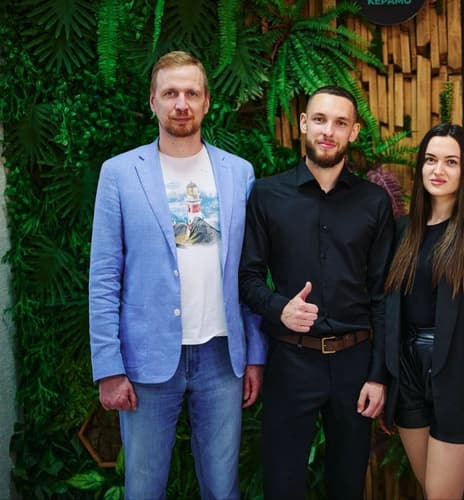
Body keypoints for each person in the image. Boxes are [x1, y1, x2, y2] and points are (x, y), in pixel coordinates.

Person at [88, 50, 266, 500]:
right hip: (147, 360)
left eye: (191, 93)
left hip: (222, 357)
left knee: (222, 488)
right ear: (153, 101)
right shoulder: (120, 174)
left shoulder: (239, 173)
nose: (181, 104)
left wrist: (255, 354)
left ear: (207, 101)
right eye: (170, 93)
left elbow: (250, 271)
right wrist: (108, 368)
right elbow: (104, 276)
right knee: (144, 489)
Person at [238, 85, 395, 500]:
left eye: (340, 123)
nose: (329, 131)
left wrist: (378, 375)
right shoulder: (267, 195)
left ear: (354, 132)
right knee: (283, 485)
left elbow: (383, 294)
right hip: (291, 361)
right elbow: (247, 278)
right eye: (320, 120)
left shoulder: (374, 202)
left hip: (354, 364)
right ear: (304, 124)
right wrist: (280, 309)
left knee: (348, 486)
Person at [383, 123, 464, 499]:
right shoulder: (402, 231)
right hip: (408, 376)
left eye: (451, 162)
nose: (438, 170)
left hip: (460, 378)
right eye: (431, 160)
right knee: (432, 491)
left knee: (441, 494)